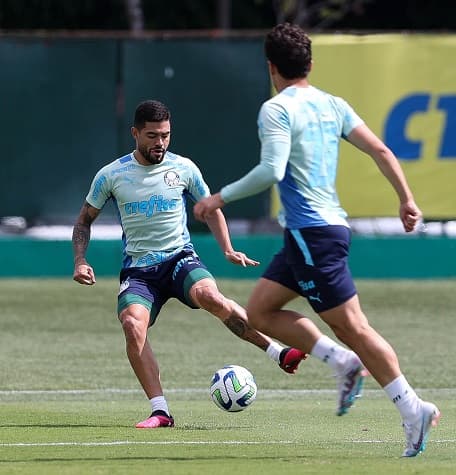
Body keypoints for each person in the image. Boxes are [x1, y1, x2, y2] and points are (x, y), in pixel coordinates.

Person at [194, 23, 440, 457]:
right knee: (260, 311)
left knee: (356, 329)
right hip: (313, 234)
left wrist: (217, 198)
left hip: (312, 234)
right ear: (309, 63)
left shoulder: (277, 108)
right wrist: (407, 199)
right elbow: (382, 150)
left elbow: (272, 170)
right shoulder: (333, 104)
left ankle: (412, 408)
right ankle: (342, 362)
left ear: (271, 67)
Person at [71, 99, 310, 429]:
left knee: (211, 296)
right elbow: (84, 220)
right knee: (131, 324)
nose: (160, 143)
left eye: (166, 135)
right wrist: (80, 260)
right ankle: (161, 411)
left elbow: (210, 208)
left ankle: (279, 353)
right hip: (140, 272)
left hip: (180, 259)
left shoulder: (183, 168)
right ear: (135, 134)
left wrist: (227, 248)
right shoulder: (112, 175)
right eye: (152, 136)